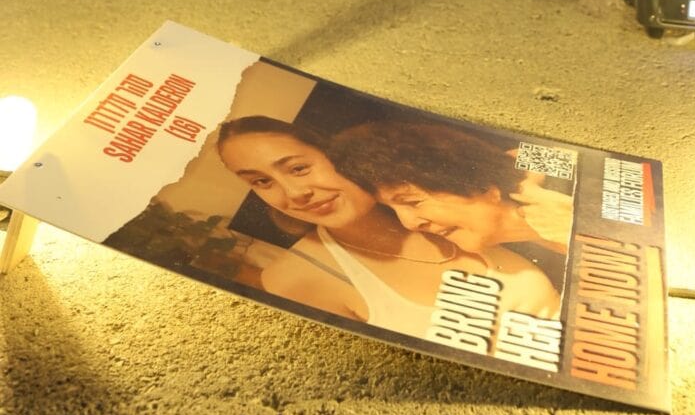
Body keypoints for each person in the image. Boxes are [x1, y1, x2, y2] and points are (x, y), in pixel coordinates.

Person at [217, 116, 561, 334]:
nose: (294, 193)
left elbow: (556, 159)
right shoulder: (291, 279)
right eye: (261, 182)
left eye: (298, 168)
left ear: (333, 154)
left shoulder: (432, 191)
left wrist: (534, 185)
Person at [327, 119, 575, 292]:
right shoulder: (507, 264)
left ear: (482, 186)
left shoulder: (556, 170)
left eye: (413, 202)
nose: (409, 223)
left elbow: (579, 160)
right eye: (392, 209)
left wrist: (581, 223)